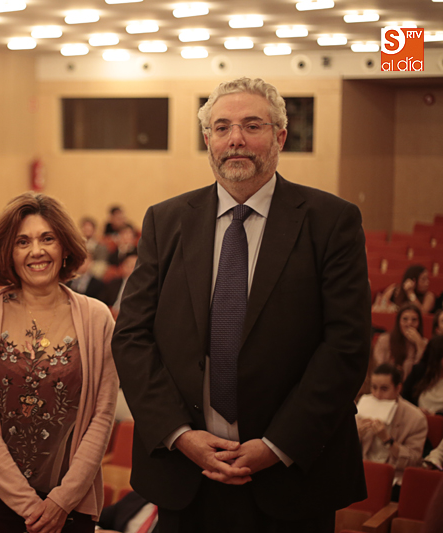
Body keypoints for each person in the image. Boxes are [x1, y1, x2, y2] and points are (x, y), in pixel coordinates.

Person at [112, 77, 372, 532]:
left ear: (280, 137)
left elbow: (346, 347)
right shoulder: (165, 221)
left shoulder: (331, 222)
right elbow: (132, 336)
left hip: (294, 476)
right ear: (207, 139)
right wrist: (181, 435)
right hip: (185, 472)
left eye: (253, 125)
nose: (236, 139)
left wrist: (275, 445)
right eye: (222, 127)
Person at [0, 192, 118, 533]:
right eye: (22, 242)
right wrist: (26, 503)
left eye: (48, 238)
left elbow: (102, 416)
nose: (37, 251)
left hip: (71, 503)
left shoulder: (97, 318)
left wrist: (63, 499)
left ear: (65, 247)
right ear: (8, 253)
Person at [356, 364, 427, 500]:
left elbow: (414, 461)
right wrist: (356, 435)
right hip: (363, 473)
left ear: (398, 388)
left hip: (395, 478)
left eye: (384, 389)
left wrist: (388, 440)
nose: (377, 395)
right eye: (374, 388)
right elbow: (344, 451)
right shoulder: (363, 408)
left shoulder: (416, 418)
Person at [373, 303, 428, 382]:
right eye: (405, 319)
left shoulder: (424, 343)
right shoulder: (385, 339)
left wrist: (419, 343)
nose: (409, 323)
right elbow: (379, 366)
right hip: (388, 383)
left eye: (414, 320)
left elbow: (424, 370)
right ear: (398, 321)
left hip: (413, 385)